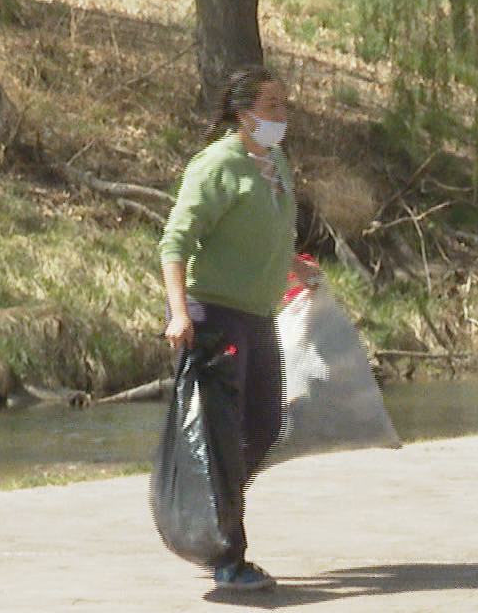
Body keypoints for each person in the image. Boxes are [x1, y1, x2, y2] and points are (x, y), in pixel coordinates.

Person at [159, 65, 317, 592]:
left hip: (258, 314)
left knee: (267, 424)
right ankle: (229, 559)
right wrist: (179, 313)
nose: (282, 116)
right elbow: (175, 244)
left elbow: (264, 230)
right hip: (214, 317)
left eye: (284, 105)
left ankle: (210, 507)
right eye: (272, 106)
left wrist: (296, 267)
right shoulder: (217, 166)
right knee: (222, 440)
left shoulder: (276, 162)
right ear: (242, 111)